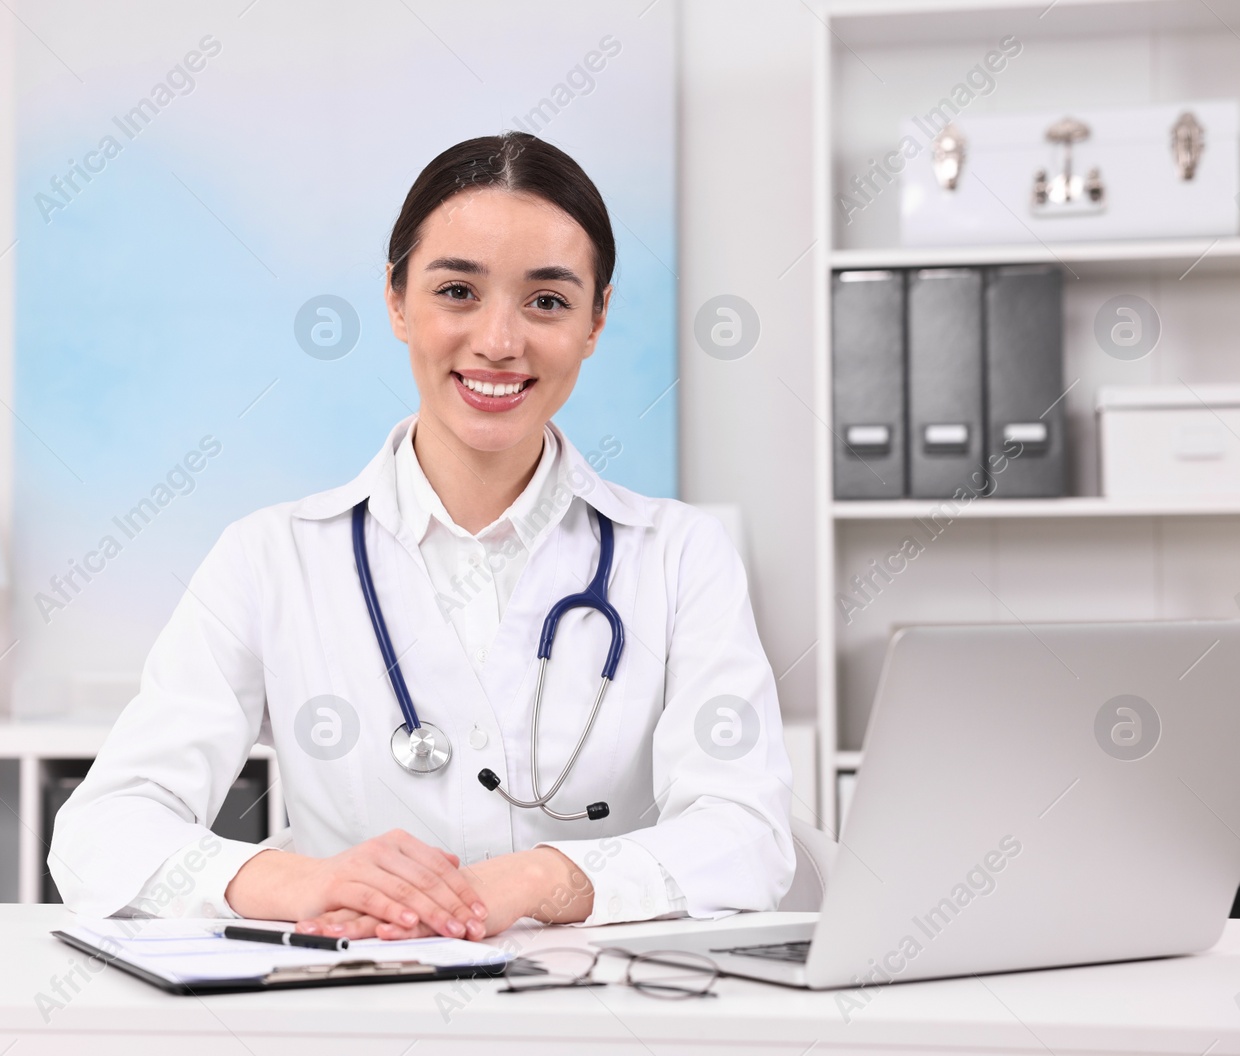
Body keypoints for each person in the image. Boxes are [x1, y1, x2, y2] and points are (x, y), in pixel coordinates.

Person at [50, 132, 795, 941]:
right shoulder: (270, 559)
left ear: (596, 319)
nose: (499, 342)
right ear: (398, 300)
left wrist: (547, 876)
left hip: (596, 1015)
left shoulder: (681, 558)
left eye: (546, 301)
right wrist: (300, 881)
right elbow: (101, 834)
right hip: (351, 1007)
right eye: (458, 292)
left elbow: (748, 837)